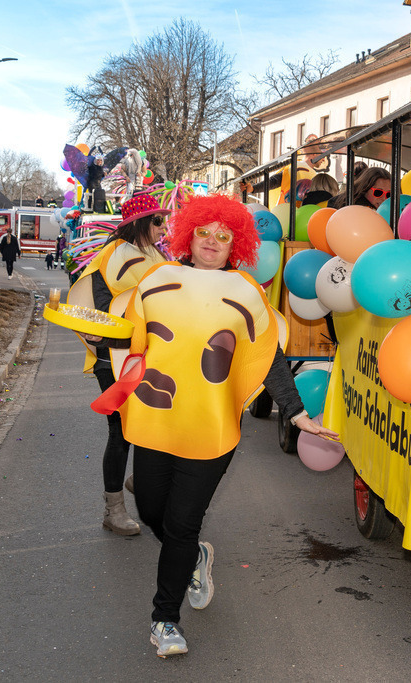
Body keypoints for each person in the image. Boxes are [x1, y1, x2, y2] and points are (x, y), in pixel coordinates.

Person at [103, 194, 337, 657]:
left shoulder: (248, 293)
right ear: (187, 235)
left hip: (212, 429)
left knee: (181, 524)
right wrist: (98, 336)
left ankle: (164, 620)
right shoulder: (157, 278)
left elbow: (265, 357)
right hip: (155, 420)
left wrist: (295, 412)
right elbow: (128, 337)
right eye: (204, 233)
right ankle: (194, 558)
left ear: (237, 244)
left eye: (223, 235)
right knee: (151, 510)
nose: (212, 242)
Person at [69, 193, 171, 537]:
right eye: (157, 221)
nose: (163, 227)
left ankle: (140, 480)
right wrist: (110, 341)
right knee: (121, 432)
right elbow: (101, 309)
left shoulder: (156, 255)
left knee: (152, 425)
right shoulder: (112, 256)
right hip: (112, 359)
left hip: (146, 356)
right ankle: (113, 509)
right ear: (140, 224)